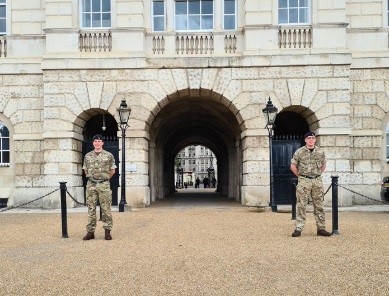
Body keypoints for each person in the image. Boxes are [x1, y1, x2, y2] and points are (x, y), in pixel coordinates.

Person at [290, 132, 332, 237]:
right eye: (308, 138)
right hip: (304, 180)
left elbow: (323, 165)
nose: (311, 140)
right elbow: (293, 166)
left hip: (317, 181)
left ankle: (321, 228)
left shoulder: (320, 152)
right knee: (301, 205)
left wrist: (317, 175)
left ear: (315, 140)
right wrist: (300, 176)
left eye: (313, 138)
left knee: (319, 205)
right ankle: (298, 228)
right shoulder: (299, 152)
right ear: (305, 140)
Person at [82, 134, 117, 241]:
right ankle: (90, 232)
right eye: (95, 141)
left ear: (102, 143)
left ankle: (107, 231)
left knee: (106, 208)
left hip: (104, 184)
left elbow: (112, 170)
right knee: (91, 208)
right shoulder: (87, 156)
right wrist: (91, 177)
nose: (97, 143)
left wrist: (104, 179)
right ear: (93, 143)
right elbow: (85, 169)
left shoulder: (109, 155)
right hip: (91, 184)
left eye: (99, 141)